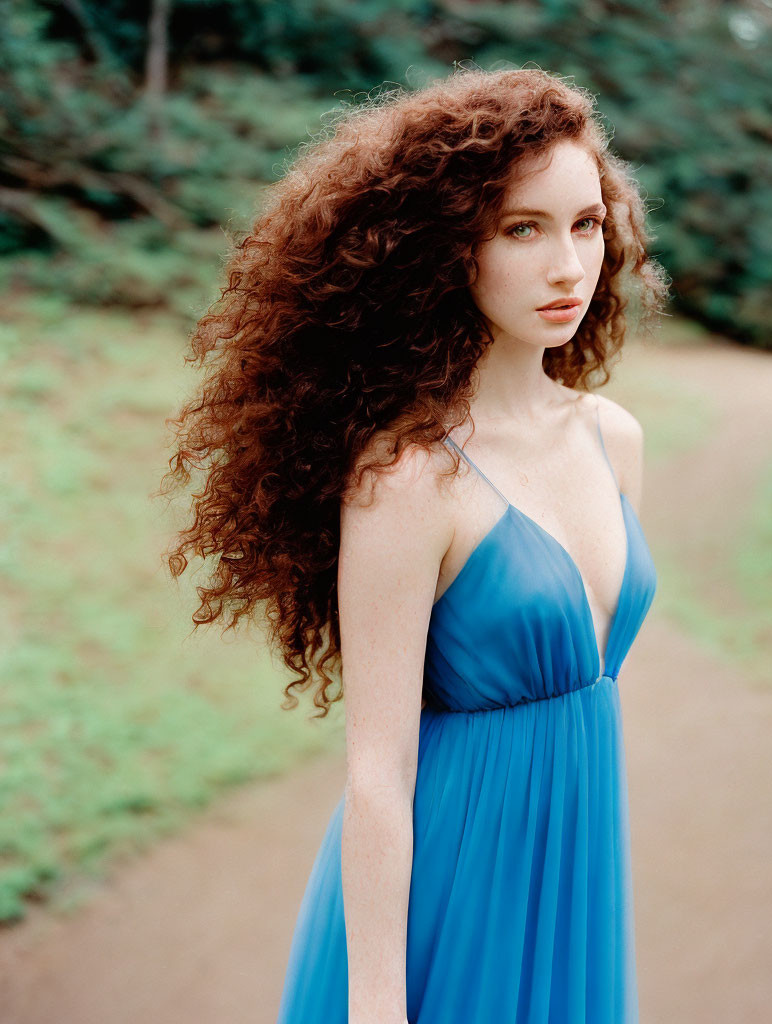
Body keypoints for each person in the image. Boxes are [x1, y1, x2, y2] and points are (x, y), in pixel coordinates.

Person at [161, 64, 669, 1024]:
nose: (568, 265)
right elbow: (377, 772)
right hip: (447, 883)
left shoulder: (615, 440)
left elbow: (590, 696)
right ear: (448, 249)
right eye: (523, 228)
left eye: (586, 224)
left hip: (572, 872)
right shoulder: (407, 478)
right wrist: (378, 1004)